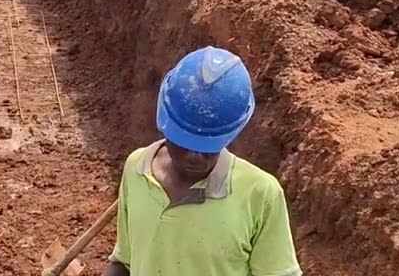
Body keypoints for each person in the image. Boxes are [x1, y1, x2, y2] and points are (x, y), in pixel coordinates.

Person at [103, 47, 301, 276]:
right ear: (164, 120)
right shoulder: (137, 169)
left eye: (208, 146)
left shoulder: (259, 195)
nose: (194, 156)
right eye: (185, 143)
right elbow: (124, 262)